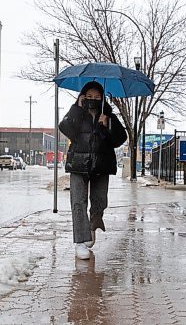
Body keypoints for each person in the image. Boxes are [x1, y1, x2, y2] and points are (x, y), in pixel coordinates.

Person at [59, 81, 127, 260]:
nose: (93, 100)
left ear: (102, 99)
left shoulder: (108, 115)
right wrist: (77, 108)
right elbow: (64, 128)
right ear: (83, 96)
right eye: (89, 96)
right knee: (78, 201)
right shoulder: (77, 113)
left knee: (99, 200)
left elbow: (120, 139)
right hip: (78, 164)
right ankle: (80, 242)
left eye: (97, 97)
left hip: (101, 164)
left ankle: (92, 224)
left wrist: (108, 125)